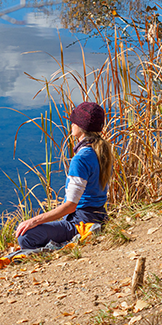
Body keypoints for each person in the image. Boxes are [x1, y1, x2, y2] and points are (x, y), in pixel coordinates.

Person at [15, 101, 112, 250]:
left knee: (26, 236)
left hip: (80, 222)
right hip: (99, 216)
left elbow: (71, 206)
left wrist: (34, 221)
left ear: (81, 126)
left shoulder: (81, 158)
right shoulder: (101, 152)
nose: (71, 124)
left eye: (74, 121)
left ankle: (72, 240)